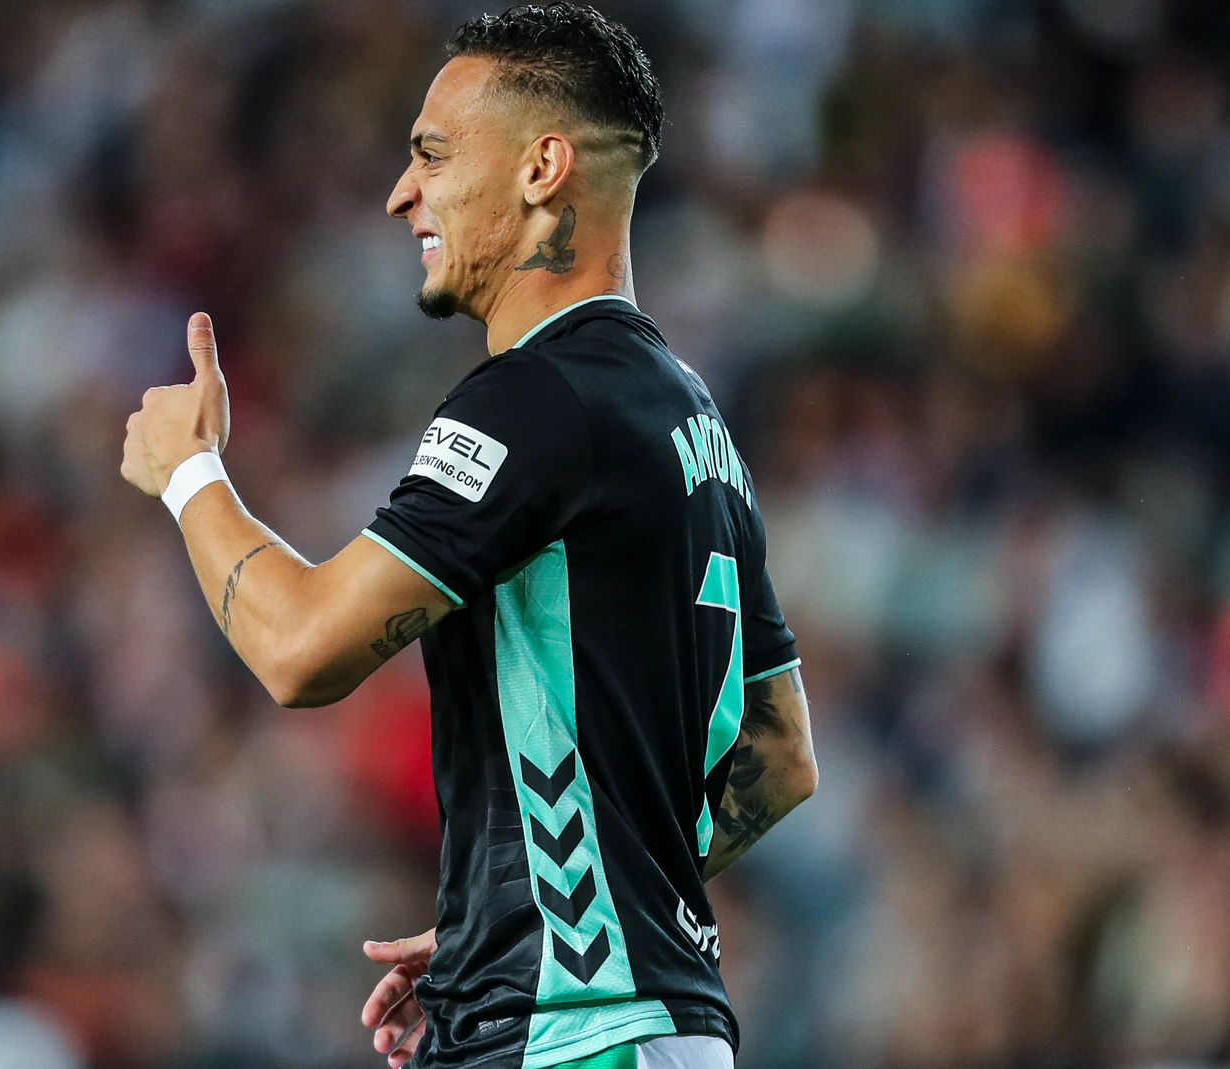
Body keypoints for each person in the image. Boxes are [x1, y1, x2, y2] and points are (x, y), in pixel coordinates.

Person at [119, 5, 818, 1067]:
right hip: (647, 1021)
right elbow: (778, 755)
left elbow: (300, 648)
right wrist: (520, 911)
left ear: (542, 168)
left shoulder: (536, 399)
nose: (403, 193)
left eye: (432, 156)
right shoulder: (693, 419)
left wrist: (190, 474)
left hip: (574, 1038)